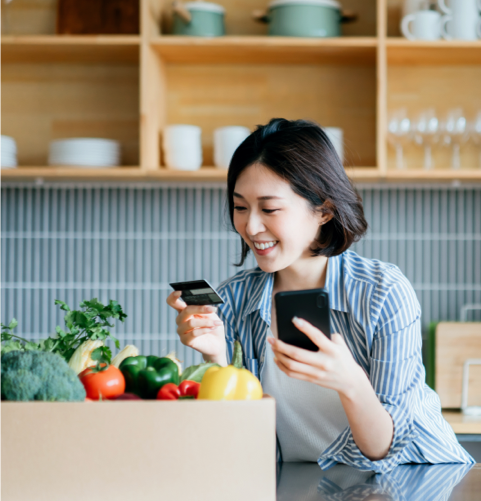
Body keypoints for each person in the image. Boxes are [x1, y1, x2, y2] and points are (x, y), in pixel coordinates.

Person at [166, 118, 474, 473]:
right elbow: (238, 443)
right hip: (304, 485)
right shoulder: (233, 301)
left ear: (323, 210)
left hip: (418, 479)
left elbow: (384, 450)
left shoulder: (382, 292)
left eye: (269, 209)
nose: (250, 226)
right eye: (240, 207)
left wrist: (350, 381)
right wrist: (216, 358)